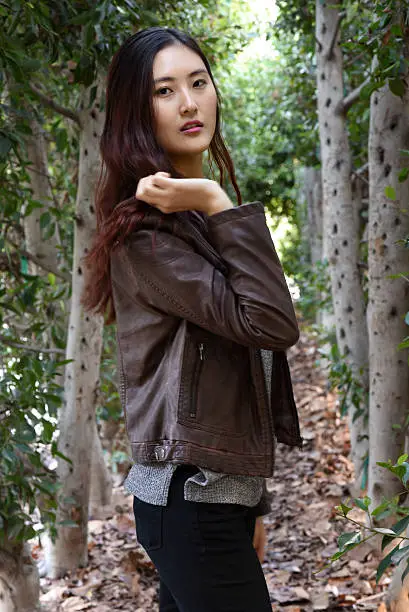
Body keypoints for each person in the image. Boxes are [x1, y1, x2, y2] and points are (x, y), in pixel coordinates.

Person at [82, 26, 303, 612]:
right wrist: (214, 200)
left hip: (209, 503)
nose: (188, 103)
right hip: (192, 505)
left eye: (198, 82)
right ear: (136, 111)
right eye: (164, 90)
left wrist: (250, 502)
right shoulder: (150, 235)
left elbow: (233, 365)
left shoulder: (188, 223)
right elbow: (272, 323)